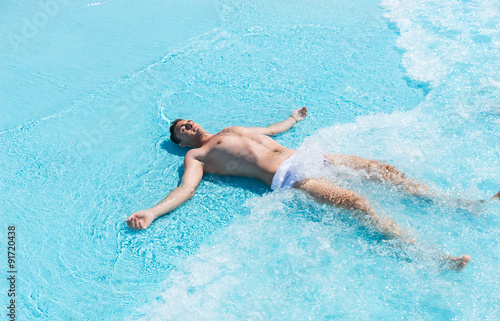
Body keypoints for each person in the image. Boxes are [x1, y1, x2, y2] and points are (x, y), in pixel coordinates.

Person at [127, 107, 494, 270]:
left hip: (309, 156)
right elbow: (186, 190)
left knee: (385, 170)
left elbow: (271, 131)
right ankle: (434, 257)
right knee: (357, 204)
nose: (187, 125)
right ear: (180, 142)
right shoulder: (199, 158)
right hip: (290, 177)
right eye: (181, 129)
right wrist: (153, 212)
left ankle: (461, 202)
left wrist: (292, 119)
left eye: (187, 120)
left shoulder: (231, 129)